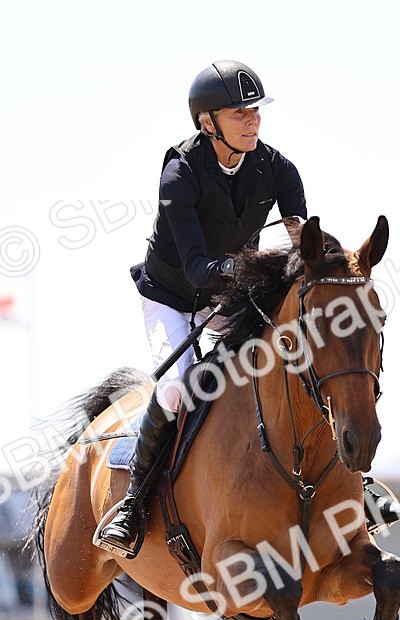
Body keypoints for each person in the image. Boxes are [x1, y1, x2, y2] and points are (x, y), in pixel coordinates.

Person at [96, 60, 307, 557]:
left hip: (231, 296)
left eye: (255, 110)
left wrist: (313, 263)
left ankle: (351, 487)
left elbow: (302, 240)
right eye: (240, 112)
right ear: (208, 121)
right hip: (172, 297)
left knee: (298, 364)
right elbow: (196, 270)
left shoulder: (276, 168)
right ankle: (131, 504)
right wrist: (263, 270)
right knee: (175, 389)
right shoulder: (179, 173)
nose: (253, 120)